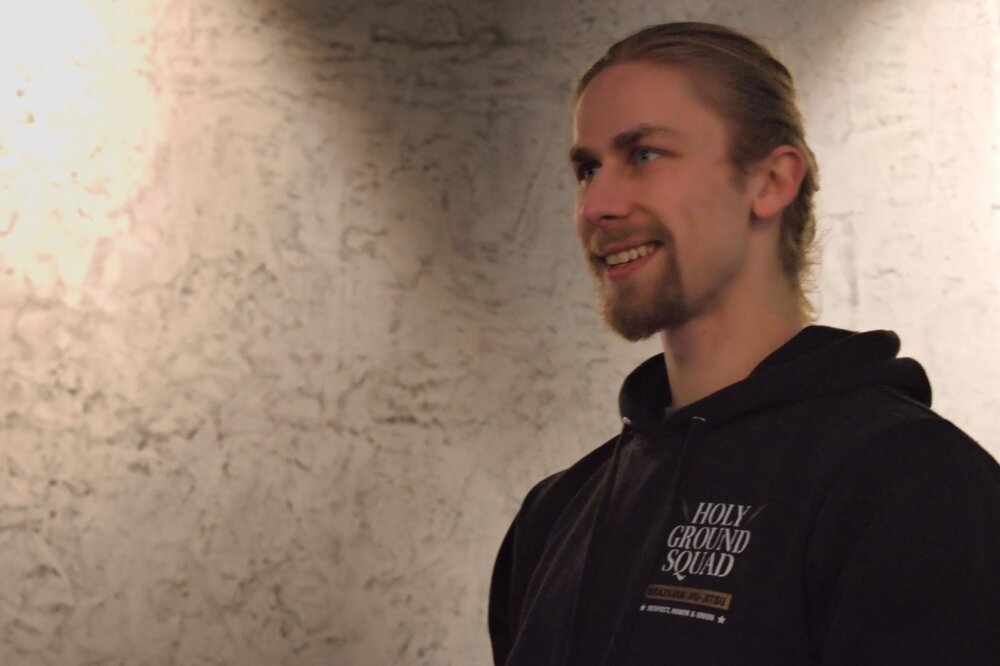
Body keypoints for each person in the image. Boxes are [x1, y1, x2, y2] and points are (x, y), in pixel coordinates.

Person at [488, 22, 1000, 666]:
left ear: (772, 181)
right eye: (588, 169)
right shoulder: (557, 511)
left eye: (644, 155)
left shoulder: (916, 485)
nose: (597, 206)